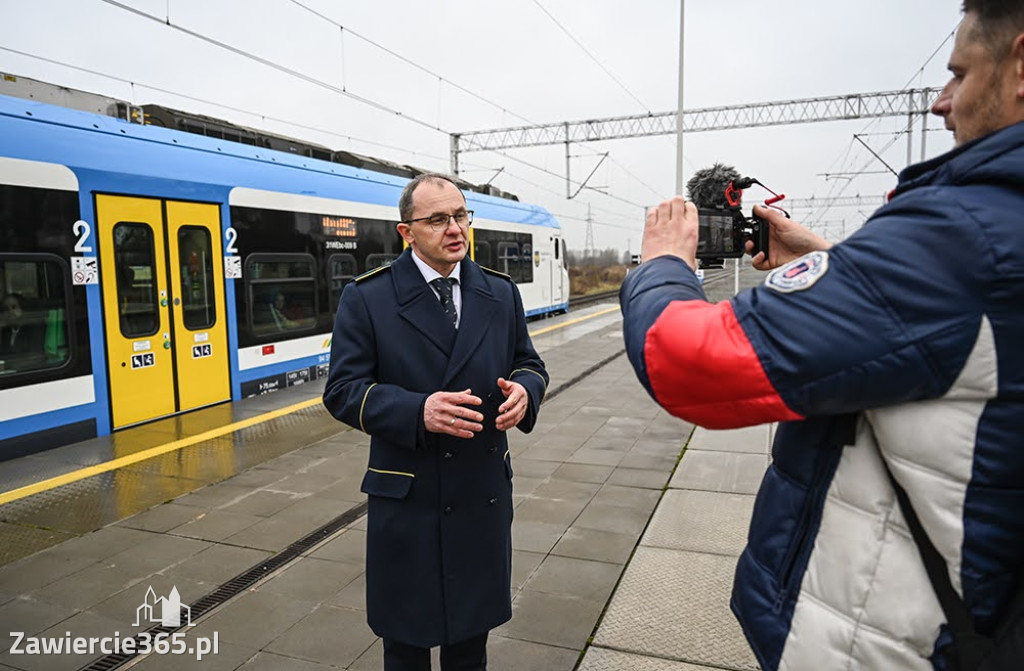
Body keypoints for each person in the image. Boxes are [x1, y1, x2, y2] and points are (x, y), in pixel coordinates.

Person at [620, 2, 1024, 669]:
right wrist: (834, 261)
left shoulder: (969, 233)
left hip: (888, 641)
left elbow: (685, 360)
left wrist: (662, 264)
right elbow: (946, 324)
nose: (940, 102)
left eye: (959, 73)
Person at [323, 173, 548, 671]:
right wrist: (416, 411)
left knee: (470, 644)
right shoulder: (369, 298)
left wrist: (525, 393)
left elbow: (528, 362)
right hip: (410, 500)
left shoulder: (499, 292)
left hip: (480, 494)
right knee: (405, 644)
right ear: (406, 233)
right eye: (438, 219)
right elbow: (341, 391)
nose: (455, 229)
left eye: (461, 215)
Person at [0, 293, 44, 358]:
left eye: (14, 307)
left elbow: (33, 356)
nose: (10, 311)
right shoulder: (5, 331)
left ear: (22, 309)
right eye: (6, 308)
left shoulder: (33, 329)